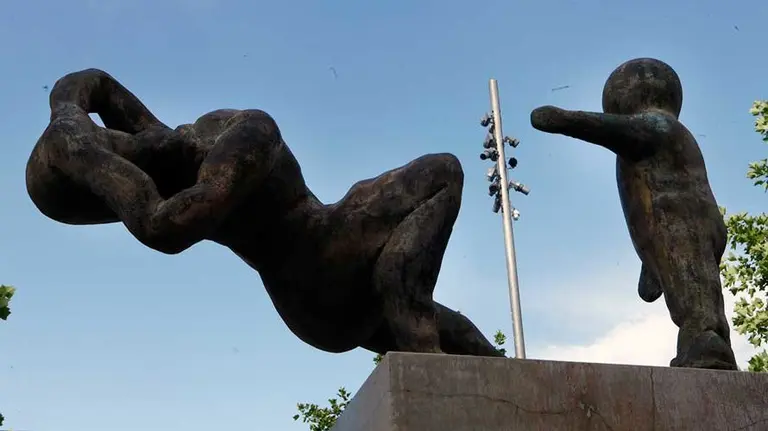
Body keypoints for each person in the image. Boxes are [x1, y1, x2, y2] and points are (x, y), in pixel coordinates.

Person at [26, 68, 503, 358]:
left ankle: (452, 346)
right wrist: (89, 155)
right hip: (325, 257)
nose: (127, 135)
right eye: (116, 151)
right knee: (441, 173)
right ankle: (418, 338)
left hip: (311, 303)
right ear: (123, 173)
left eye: (114, 135)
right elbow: (163, 226)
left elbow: (99, 85)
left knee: (461, 335)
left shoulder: (179, 154)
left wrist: (65, 112)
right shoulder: (221, 158)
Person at [530, 58, 737, 370]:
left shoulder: (660, 127)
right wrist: (650, 264)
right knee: (688, 282)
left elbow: (611, 129)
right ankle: (704, 340)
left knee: (694, 294)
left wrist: (562, 119)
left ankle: (707, 342)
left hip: (681, 223)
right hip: (680, 224)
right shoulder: (664, 137)